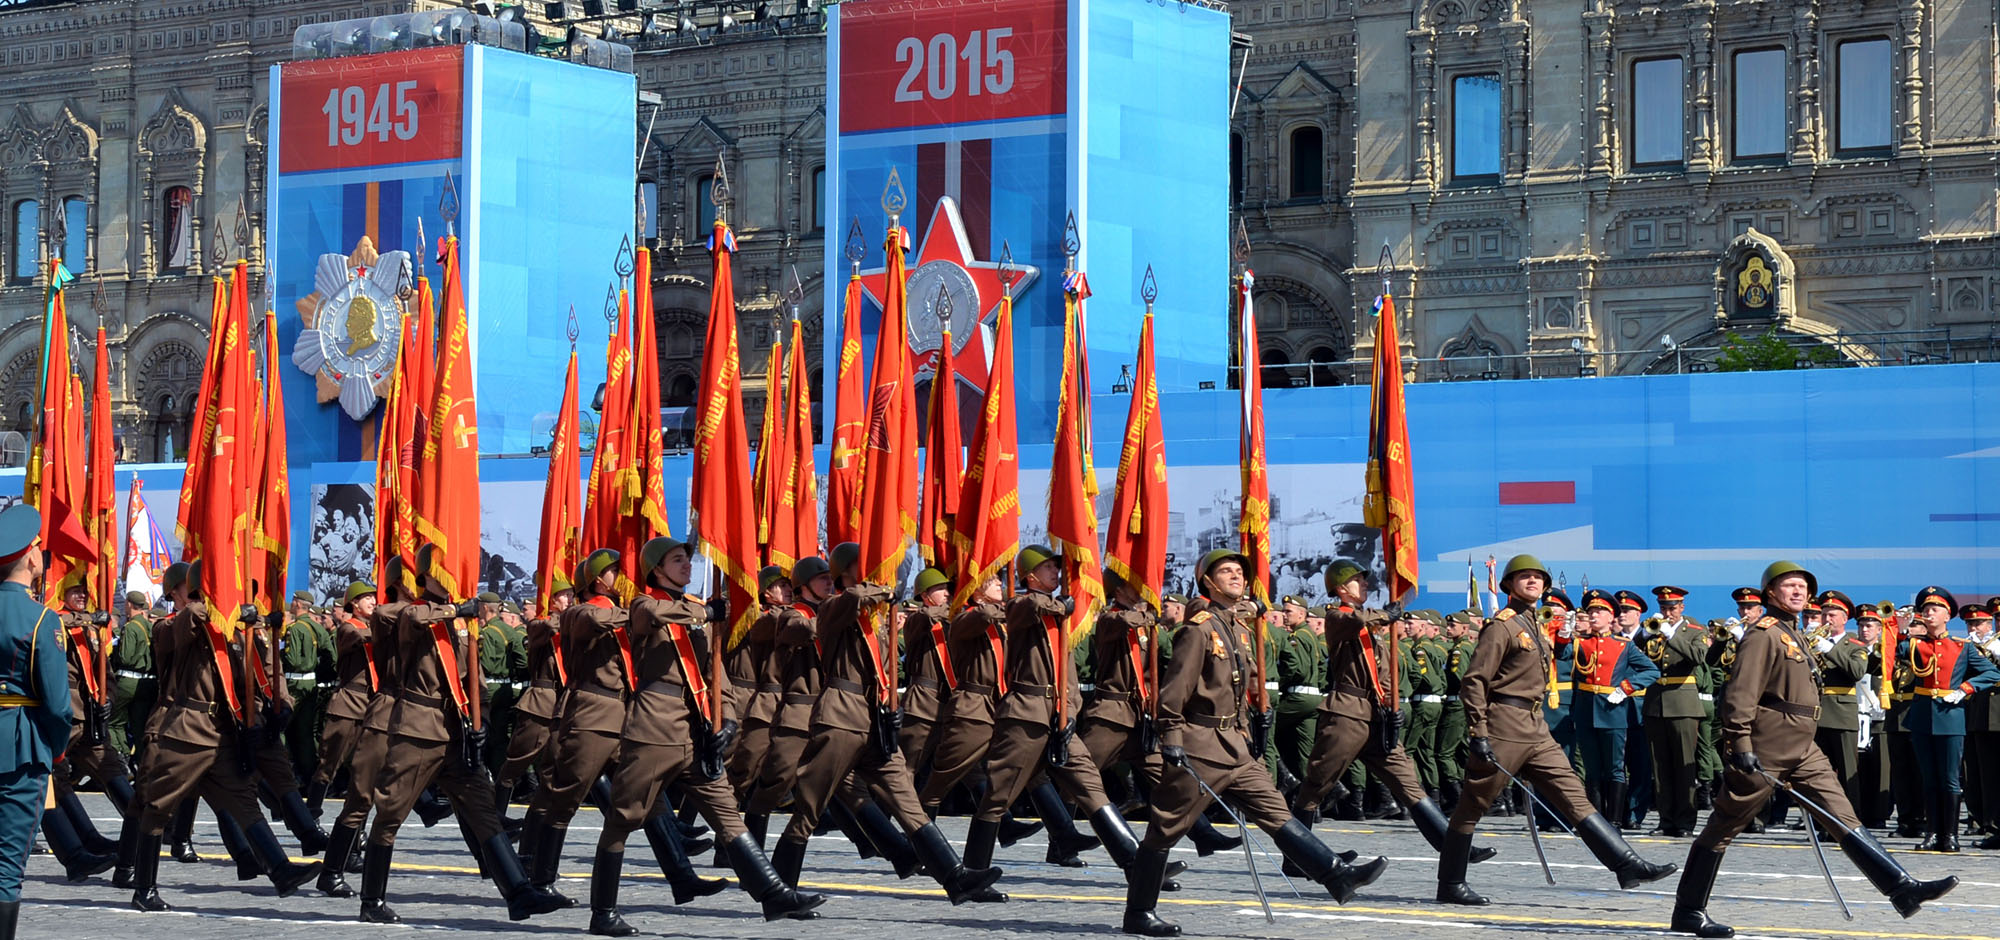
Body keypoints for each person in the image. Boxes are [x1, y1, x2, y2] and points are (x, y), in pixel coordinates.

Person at [1671, 563, 1961, 938]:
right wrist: (1739, 743)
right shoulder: (1763, 635)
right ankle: (1689, 910)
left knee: (1842, 816)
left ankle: (1901, 888)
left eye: (1802, 586)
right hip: (1768, 742)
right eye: (1788, 585)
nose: (1797, 592)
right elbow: (1741, 693)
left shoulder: (1794, 633)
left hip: (1803, 743)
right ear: (1770, 593)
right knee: (1725, 823)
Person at [1122, 549, 1385, 938]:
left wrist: (1250, 728)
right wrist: (1172, 737)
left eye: (1239, 571)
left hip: (1234, 745)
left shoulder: (1235, 627)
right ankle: (1139, 912)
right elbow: (1175, 691)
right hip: (1200, 744)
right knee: (1165, 829)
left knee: (1276, 809)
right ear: (1207, 581)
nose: (1236, 576)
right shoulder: (1198, 628)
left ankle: (1336, 875)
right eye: (1225, 571)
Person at [589, 537, 822, 933]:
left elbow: (718, 679)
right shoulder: (647, 605)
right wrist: (703, 610)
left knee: (728, 815)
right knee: (622, 819)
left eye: (687, 559)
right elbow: (652, 615)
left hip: (696, 734)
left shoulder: (696, 618)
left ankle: (773, 894)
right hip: (654, 732)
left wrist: (728, 720)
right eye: (677, 560)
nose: (687, 565)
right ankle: (603, 913)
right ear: (656, 570)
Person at [1438, 554, 1675, 906]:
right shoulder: (1502, 626)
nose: (1532, 582)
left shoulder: (1535, 624)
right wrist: (1479, 732)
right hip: (1504, 723)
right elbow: (1474, 682)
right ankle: (1451, 883)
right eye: (1524, 577)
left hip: (1535, 726)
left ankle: (1626, 864)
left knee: (1573, 795)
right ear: (1508, 585)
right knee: (1473, 804)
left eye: (1538, 577)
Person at [773, 542, 1002, 905]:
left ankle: (955, 878)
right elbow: (845, 604)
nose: (826, 586)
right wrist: (879, 588)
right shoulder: (834, 608)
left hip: (872, 720)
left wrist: (886, 705)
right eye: (865, 565)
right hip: (841, 718)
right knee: (809, 809)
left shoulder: (871, 619)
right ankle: (778, 892)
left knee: (907, 800)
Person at [360, 543, 561, 924]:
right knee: (390, 814)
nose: (451, 574)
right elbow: (406, 616)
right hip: (417, 729)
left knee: (483, 810)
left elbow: (470, 678)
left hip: (454, 732)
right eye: (442, 569)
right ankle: (371, 899)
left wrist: (477, 721)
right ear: (424, 577)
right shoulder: (405, 613)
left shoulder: (456, 623)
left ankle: (518, 892)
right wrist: (456, 609)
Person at [125, 560, 322, 912]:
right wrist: (212, 606)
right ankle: (144, 888)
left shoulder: (230, 631)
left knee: (243, 800)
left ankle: (280, 870)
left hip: (222, 734)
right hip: (184, 733)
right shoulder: (173, 626)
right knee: (155, 808)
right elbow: (175, 631)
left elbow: (253, 672)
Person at [1292, 562, 1489, 861]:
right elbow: (1354, 621)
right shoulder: (1336, 617)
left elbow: (1383, 672)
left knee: (1408, 782)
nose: (1366, 585)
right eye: (1359, 581)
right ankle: (1298, 857)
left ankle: (1455, 849)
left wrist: (1391, 706)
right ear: (1342, 588)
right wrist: (1387, 614)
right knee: (1316, 785)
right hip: (1347, 713)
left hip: (1376, 716)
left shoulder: (1371, 626)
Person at [0, 505, 77, 938]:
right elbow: (57, 707)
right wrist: (56, 748)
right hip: (21, 746)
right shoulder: (42, 620)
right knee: (7, 864)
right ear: (31, 559)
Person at [1899, 585, 1999, 852]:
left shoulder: (1961, 647)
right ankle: (1932, 833)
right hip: (1921, 715)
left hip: (1950, 715)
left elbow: (1992, 673)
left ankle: (1950, 835)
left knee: (1950, 779)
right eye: (1926, 609)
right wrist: (1897, 629)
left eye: (1935, 609)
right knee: (1928, 778)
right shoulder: (1913, 645)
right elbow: (1884, 657)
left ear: (1947, 616)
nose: (1929, 613)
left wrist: (1964, 690)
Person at [1567, 589, 1659, 832]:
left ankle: (1615, 820)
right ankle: (1595, 820)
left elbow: (1652, 671)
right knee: (1592, 769)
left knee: (1615, 768)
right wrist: (1563, 633)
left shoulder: (1624, 646)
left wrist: (1625, 688)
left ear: (1611, 617)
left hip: (1612, 711)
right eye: (1591, 611)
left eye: (1600, 611)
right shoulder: (1580, 643)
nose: (1594, 615)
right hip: (1586, 712)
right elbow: (1561, 654)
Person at [1642, 585, 1707, 837]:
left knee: (1683, 766)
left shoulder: (1693, 631)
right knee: (1660, 767)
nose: (1667, 612)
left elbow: (1699, 657)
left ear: (1681, 607)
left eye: (1672, 607)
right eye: (1663, 607)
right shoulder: (1653, 628)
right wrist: (1645, 636)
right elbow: (1634, 653)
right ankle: (1665, 820)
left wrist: (1672, 636)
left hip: (1683, 704)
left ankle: (1685, 822)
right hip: (1656, 702)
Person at [1964, 604, 2000, 849]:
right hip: (1983, 713)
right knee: (1988, 776)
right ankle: (1994, 827)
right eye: (1997, 618)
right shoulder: (1988, 644)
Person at [108, 592, 157, 761]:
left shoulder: (130, 627)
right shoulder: (150, 626)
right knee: (140, 727)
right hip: (148, 682)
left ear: (128, 604)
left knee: (113, 722)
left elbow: (126, 657)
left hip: (128, 681)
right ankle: (144, 763)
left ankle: (121, 757)